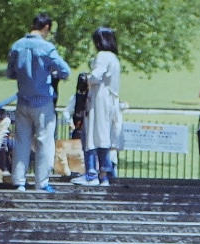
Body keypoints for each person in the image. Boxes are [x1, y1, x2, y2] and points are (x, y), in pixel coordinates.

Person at [7, 12, 70, 189]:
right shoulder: (47, 48)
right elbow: (65, 71)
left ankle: (19, 181)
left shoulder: (17, 46)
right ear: (46, 27)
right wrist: (51, 73)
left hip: (23, 100)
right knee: (44, 142)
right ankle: (41, 182)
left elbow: (10, 73)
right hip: (43, 102)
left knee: (21, 141)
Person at [76, 27, 123, 186]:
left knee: (92, 136)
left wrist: (86, 79)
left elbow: (96, 76)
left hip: (99, 98)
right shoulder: (115, 59)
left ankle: (91, 173)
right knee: (104, 136)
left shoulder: (102, 56)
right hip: (110, 99)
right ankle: (104, 174)